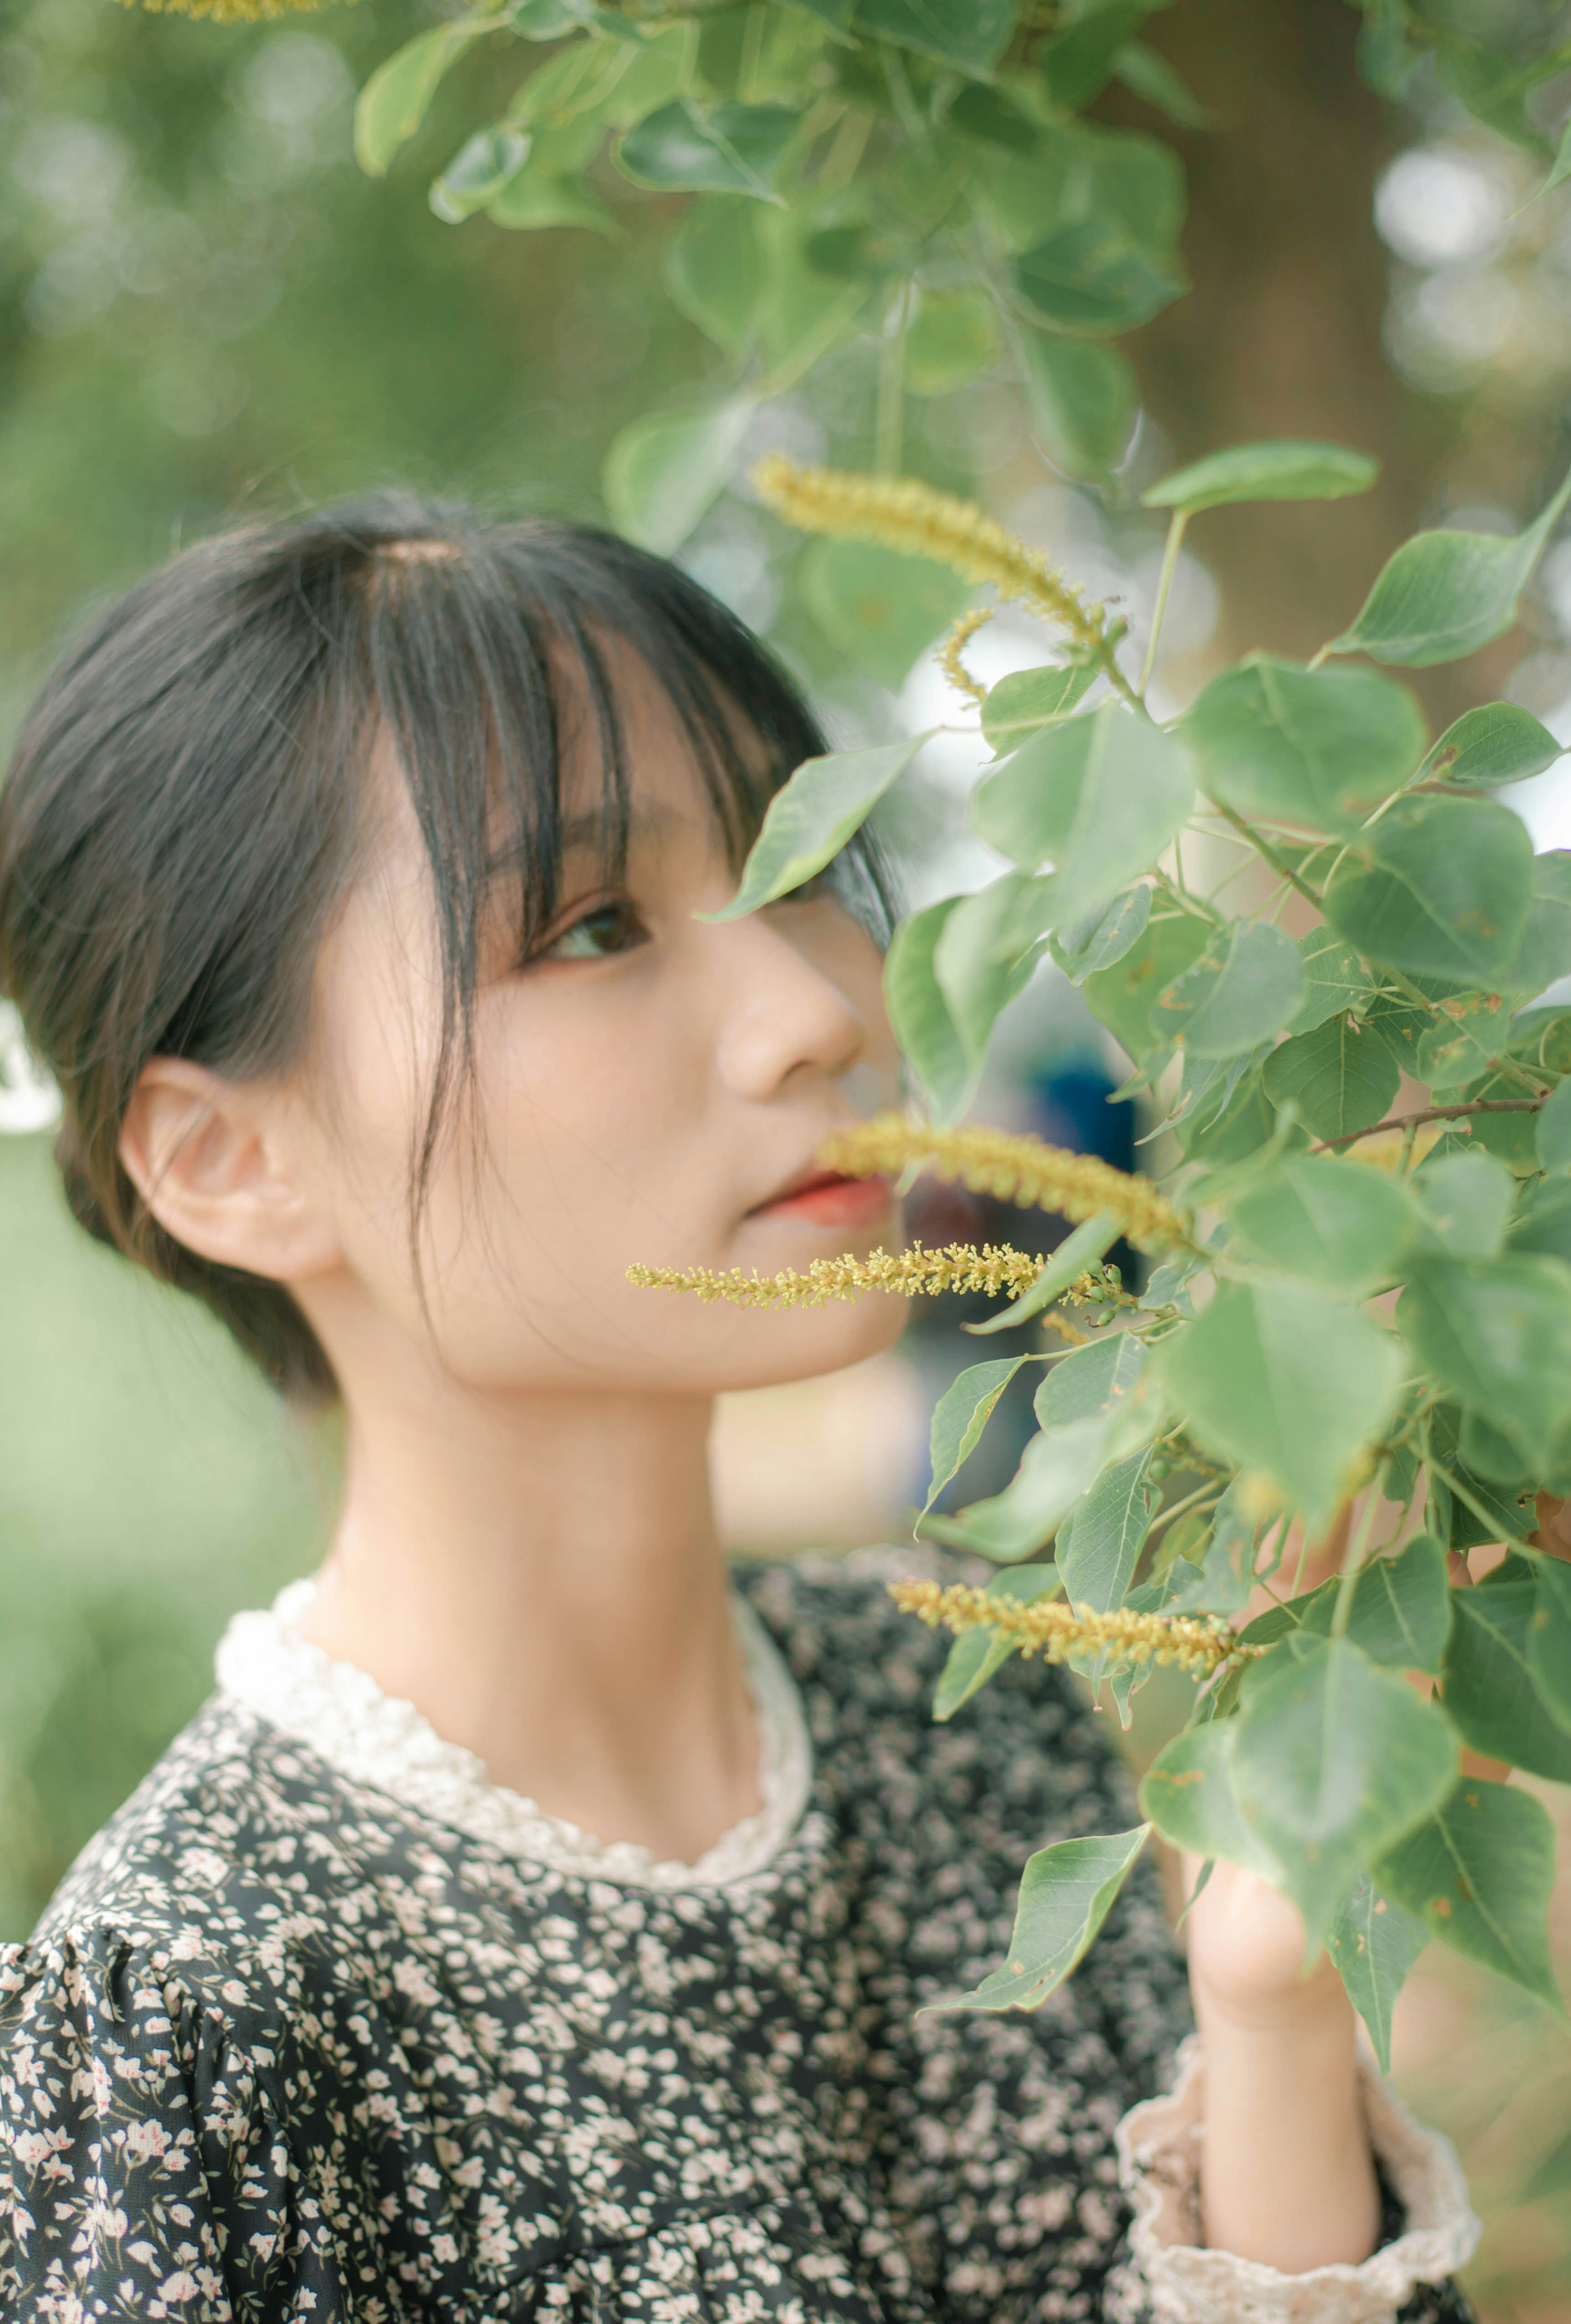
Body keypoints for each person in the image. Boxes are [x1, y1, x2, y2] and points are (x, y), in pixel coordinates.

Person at [0, 497, 1477, 2323]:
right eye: (595, 924)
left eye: (805, 864)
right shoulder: (204, 2010)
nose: (806, 1009)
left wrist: (1262, 2008)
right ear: (227, 1158)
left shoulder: (961, 1708)